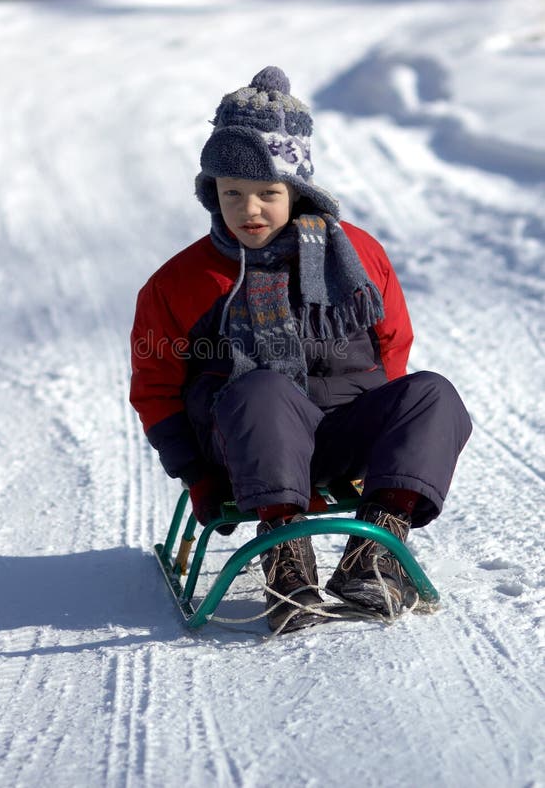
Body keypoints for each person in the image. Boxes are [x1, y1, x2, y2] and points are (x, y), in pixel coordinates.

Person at [130, 66, 472, 633]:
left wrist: (383, 442)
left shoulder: (356, 255)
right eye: (232, 194)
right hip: (244, 446)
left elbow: (392, 349)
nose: (250, 210)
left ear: (297, 190)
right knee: (262, 387)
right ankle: (286, 559)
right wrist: (197, 476)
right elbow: (156, 388)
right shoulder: (180, 282)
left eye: (269, 193)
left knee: (433, 394)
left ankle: (374, 555)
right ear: (212, 194)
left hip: (340, 431)